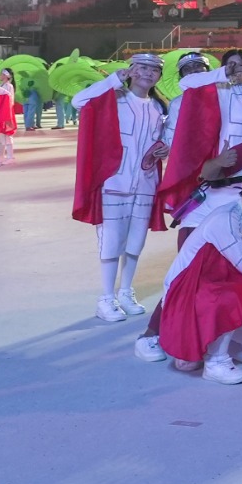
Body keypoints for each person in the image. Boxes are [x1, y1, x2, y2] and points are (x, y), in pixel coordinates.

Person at [134, 162, 242, 384]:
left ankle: (205, 349)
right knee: (229, 294)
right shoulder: (226, 217)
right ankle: (215, 362)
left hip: (222, 289)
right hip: (189, 293)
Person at [71, 54, 169, 322]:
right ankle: (106, 298)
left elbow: (162, 141)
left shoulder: (159, 109)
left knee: (135, 243)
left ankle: (126, 292)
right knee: (111, 244)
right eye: (143, 68)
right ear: (131, 70)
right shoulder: (114, 99)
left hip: (146, 183)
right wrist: (113, 81)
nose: (148, 74)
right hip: (114, 182)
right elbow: (78, 101)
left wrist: (164, 149)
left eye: (154, 70)